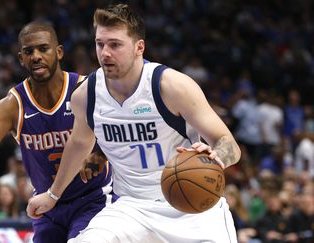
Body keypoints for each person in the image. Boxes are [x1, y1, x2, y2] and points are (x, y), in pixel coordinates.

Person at [27, 4, 241, 243]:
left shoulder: (172, 87)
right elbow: (78, 144)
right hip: (132, 208)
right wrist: (53, 195)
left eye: (115, 45)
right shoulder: (86, 96)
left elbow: (230, 145)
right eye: (100, 44)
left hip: (194, 210)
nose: (105, 53)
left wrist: (215, 155)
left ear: (139, 47)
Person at [0, 21, 112, 242]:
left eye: (43, 48)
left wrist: (101, 154)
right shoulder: (13, 105)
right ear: (21, 58)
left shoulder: (85, 89)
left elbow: (122, 135)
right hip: (47, 207)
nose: (36, 56)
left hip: (92, 199)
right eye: (29, 51)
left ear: (58, 52)